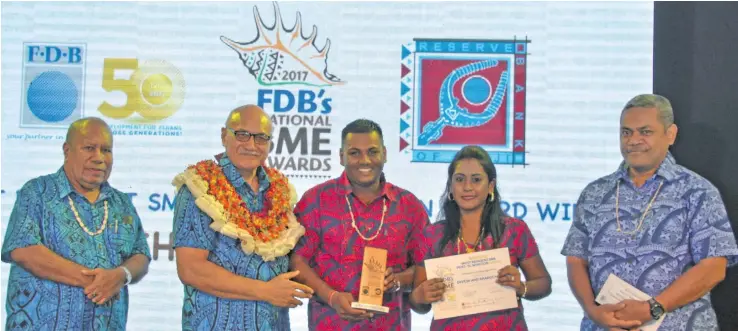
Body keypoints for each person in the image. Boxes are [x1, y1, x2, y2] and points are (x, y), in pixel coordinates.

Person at [561, 94, 738, 331]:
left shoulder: (698, 192)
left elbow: (714, 267)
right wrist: (593, 312)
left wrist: (653, 308)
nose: (633, 140)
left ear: (670, 134)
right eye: (626, 132)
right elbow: (575, 260)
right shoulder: (595, 193)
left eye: (645, 132)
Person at [1, 117, 151, 330]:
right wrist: (96, 282)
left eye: (106, 150)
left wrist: (121, 275)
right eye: (89, 148)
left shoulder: (121, 203)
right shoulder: (37, 192)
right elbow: (23, 250)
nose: (99, 158)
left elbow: (140, 255)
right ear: (67, 150)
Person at [172, 105, 313, 331]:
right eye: (242, 135)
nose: (251, 145)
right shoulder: (199, 188)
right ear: (223, 135)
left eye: (261, 138)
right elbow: (191, 269)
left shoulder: (280, 190)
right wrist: (266, 291)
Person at [290, 119, 430, 330]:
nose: (365, 160)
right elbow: (296, 260)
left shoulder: (409, 206)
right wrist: (332, 296)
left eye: (372, 152)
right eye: (355, 153)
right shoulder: (315, 201)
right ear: (341, 156)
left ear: (384, 154)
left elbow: (425, 267)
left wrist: (399, 279)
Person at [409, 145, 552, 330]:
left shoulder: (514, 230)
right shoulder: (431, 235)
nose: (467, 187)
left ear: (490, 186)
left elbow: (543, 283)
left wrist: (522, 287)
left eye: (476, 180)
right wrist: (419, 296)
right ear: (451, 187)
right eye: (459, 179)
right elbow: (418, 304)